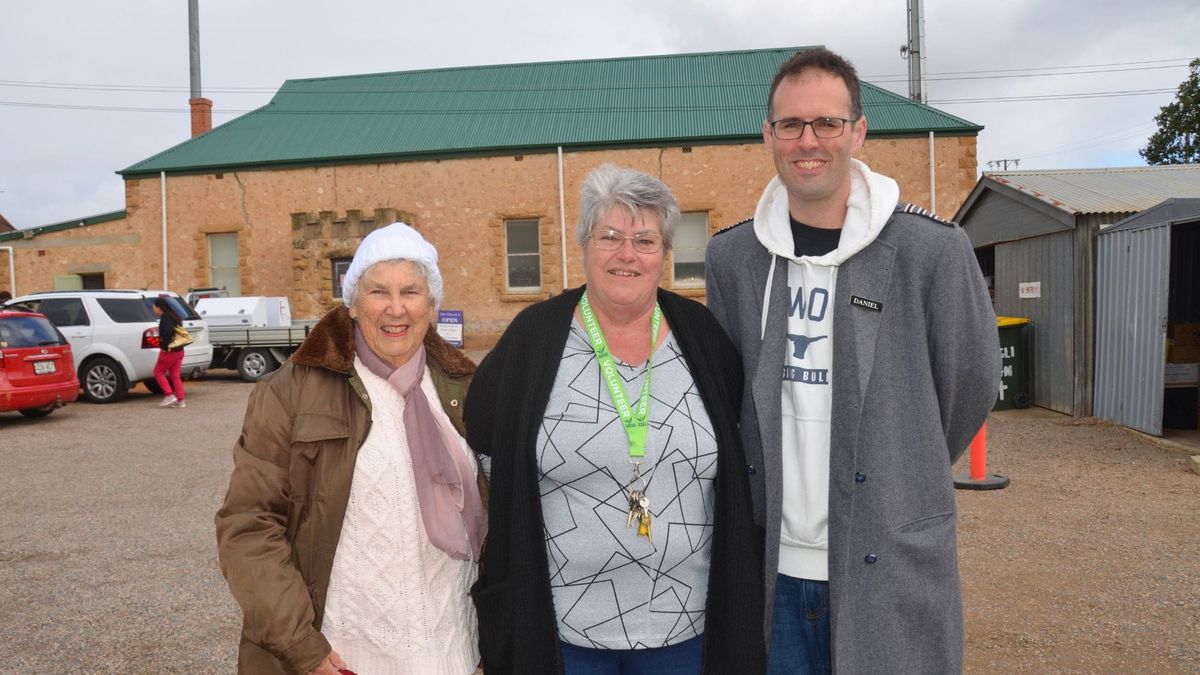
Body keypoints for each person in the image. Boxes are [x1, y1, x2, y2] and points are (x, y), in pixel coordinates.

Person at [704, 48, 1001, 673]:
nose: (808, 140)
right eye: (791, 124)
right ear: (769, 135)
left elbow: (970, 385)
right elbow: (729, 396)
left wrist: (900, 461)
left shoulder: (931, 252)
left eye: (827, 123)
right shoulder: (733, 259)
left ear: (858, 132)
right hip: (774, 574)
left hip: (888, 562)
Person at [466, 165, 765, 674]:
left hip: (684, 627)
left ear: (664, 255)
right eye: (610, 236)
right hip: (562, 630)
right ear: (583, 244)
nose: (627, 254)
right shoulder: (533, 338)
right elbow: (486, 440)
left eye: (645, 240)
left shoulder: (704, 338)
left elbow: (738, 449)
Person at [215, 222, 486, 674]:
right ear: (354, 305)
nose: (395, 308)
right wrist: (304, 648)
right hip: (345, 655)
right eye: (378, 291)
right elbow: (248, 525)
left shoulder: (468, 390)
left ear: (432, 305)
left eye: (411, 292)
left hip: (452, 649)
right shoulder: (290, 393)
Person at [151, 296, 187, 408]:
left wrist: (163, 346)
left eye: (154, 307)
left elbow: (166, 334)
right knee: (175, 375)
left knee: (158, 372)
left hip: (169, 351)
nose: (153, 309)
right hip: (179, 350)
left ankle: (169, 395)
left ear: (159, 307)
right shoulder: (174, 316)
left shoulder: (165, 317)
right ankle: (180, 400)